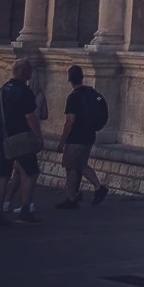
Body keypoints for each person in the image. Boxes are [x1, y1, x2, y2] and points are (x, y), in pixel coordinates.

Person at [0, 59, 43, 227]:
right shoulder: (25, 91)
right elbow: (30, 116)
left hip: (4, 138)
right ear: (24, 73)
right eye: (29, 71)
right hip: (21, 138)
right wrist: (38, 136)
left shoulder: (1, 91)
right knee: (31, 173)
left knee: (3, 175)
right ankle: (24, 209)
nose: (31, 74)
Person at [57, 64, 109, 209]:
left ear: (70, 80)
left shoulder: (73, 97)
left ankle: (71, 197)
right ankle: (98, 188)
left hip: (76, 138)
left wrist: (62, 141)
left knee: (70, 166)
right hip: (89, 135)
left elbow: (70, 121)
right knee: (81, 164)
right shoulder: (90, 93)